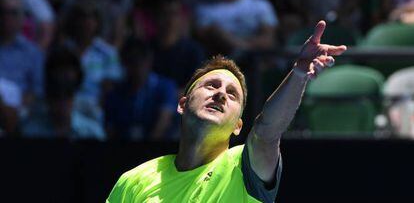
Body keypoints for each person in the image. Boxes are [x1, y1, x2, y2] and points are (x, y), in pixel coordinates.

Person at [107, 20, 347, 202]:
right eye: (211, 85)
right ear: (182, 104)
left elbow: (266, 132)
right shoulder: (134, 180)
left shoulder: (243, 169)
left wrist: (299, 72)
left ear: (238, 126)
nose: (221, 93)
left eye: (232, 94)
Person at [21, 46, 105, 140]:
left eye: (68, 94)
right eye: (56, 95)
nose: (62, 103)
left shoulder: (92, 132)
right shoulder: (30, 131)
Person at [105, 37, 179, 141]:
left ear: (149, 60)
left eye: (141, 59)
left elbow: (163, 122)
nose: (137, 66)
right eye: (131, 61)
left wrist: (145, 150)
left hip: (158, 147)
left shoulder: (165, 87)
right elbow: (110, 129)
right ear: (124, 63)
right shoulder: (116, 92)